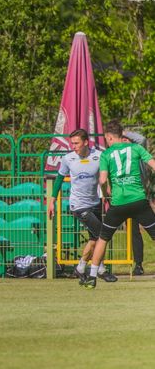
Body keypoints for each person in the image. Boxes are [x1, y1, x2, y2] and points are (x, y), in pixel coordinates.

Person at [84, 120, 155, 289]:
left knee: (103, 238)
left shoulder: (106, 155)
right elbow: (153, 164)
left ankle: (92, 277)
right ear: (121, 135)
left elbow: (102, 180)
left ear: (109, 137)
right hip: (138, 201)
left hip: (118, 203)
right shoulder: (136, 148)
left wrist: (105, 192)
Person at [48, 129, 117, 284]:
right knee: (102, 234)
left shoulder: (99, 156)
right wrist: (52, 201)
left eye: (76, 143)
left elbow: (106, 178)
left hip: (95, 203)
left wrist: (109, 196)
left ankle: (80, 268)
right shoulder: (68, 158)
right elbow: (59, 179)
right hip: (78, 205)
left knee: (94, 239)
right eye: (72, 143)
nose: (73, 146)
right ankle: (100, 269)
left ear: (86, 142)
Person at [122, 130, 150, 275]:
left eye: (126, 139)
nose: (124, 142)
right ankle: (138, 264)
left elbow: (141, 139)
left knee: (152, 229)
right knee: (133, 232)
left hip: (140, 197)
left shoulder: (137, 152)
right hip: (125, 199)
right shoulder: (119, 156)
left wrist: (122, 132)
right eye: (122, 140)